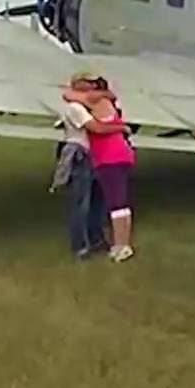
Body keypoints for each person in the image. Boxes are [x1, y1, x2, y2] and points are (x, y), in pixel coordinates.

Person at [63, 77, 138, 263]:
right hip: (106, 156)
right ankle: (104, 242)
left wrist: (120, 128)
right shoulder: (99, 104)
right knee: (107, 201)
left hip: (107, 157)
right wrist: (122, 128)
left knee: (113, 203)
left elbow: (96, 127)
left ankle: (119, 245)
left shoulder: (94, 104)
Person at [52, 70, 122, 259]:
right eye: (89, 82)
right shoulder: (75, 107)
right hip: (80, 155)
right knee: (81, 203)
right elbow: (96, 128)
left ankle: (96, 239)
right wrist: (121, 128)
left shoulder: (91, 103)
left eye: (95, 83)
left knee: (98, 201)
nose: (93, 86)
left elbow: (110, 98)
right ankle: (80, 246)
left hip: (97, 155)